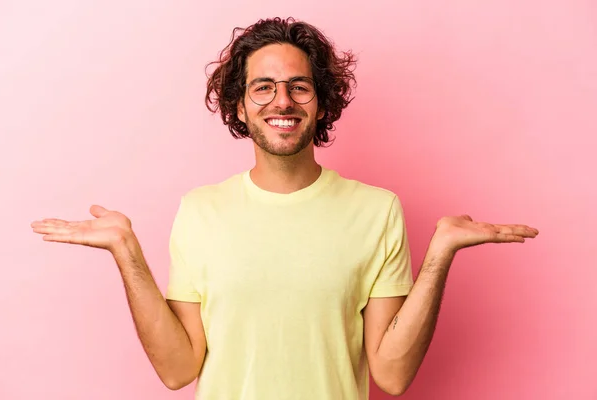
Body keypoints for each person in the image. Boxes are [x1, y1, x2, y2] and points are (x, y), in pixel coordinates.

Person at [30, 17, 539, 400]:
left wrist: (440, 255)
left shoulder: (377, 210)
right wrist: (126, 251)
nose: (282, 102)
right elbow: (178, 368)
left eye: (299, 86)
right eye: (263, 87)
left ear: (321, 102)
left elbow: (392, 374)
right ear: (239, 105)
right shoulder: (200, 210)